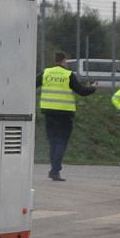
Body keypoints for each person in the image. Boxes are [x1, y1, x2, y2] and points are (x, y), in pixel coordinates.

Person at [38, 50, 96, 181]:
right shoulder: (68, 75)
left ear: (55, 60)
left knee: (53, 142)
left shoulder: (46, 72)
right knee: (61, 142)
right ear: (64, 61)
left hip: (48, 112)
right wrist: (92, 88)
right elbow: (81, 91)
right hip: (64, 113)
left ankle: (53, 168)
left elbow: (33, 84)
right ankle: (55, 170)